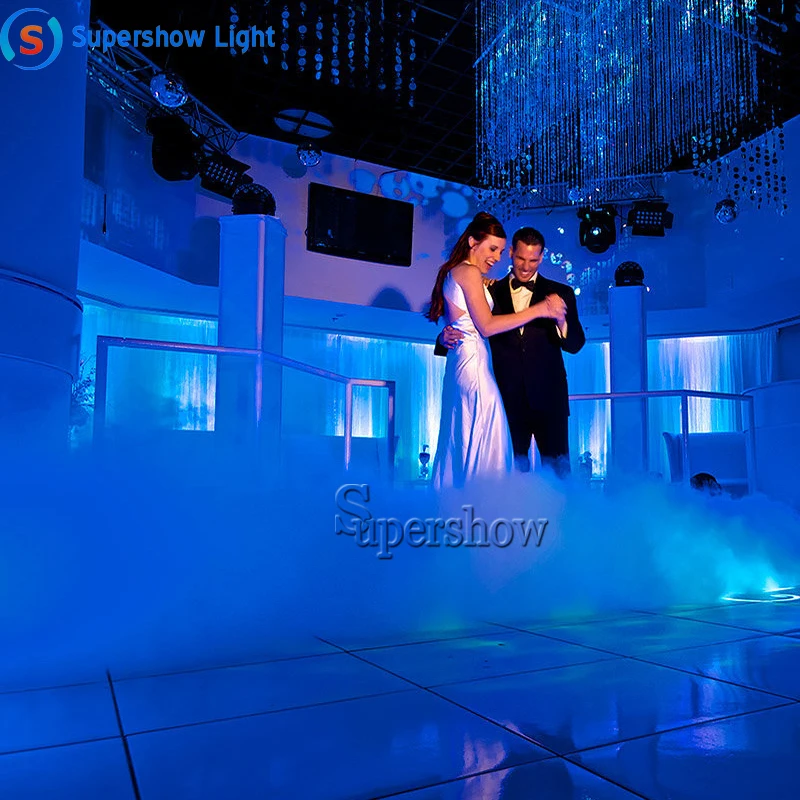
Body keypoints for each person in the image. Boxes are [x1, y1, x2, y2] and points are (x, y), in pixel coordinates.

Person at [426, 213, 567, 488]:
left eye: (500, 251)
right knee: (483, 439)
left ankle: (464, 504)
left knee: (466, 437)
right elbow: (487, 326)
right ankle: (481, 505)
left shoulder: (468, 275)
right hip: (477, 370)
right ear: (472, 242)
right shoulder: (469, 273)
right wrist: (539, 309)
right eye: (492, 249)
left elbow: (462, 319)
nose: (496, 257)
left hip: (475, 368)